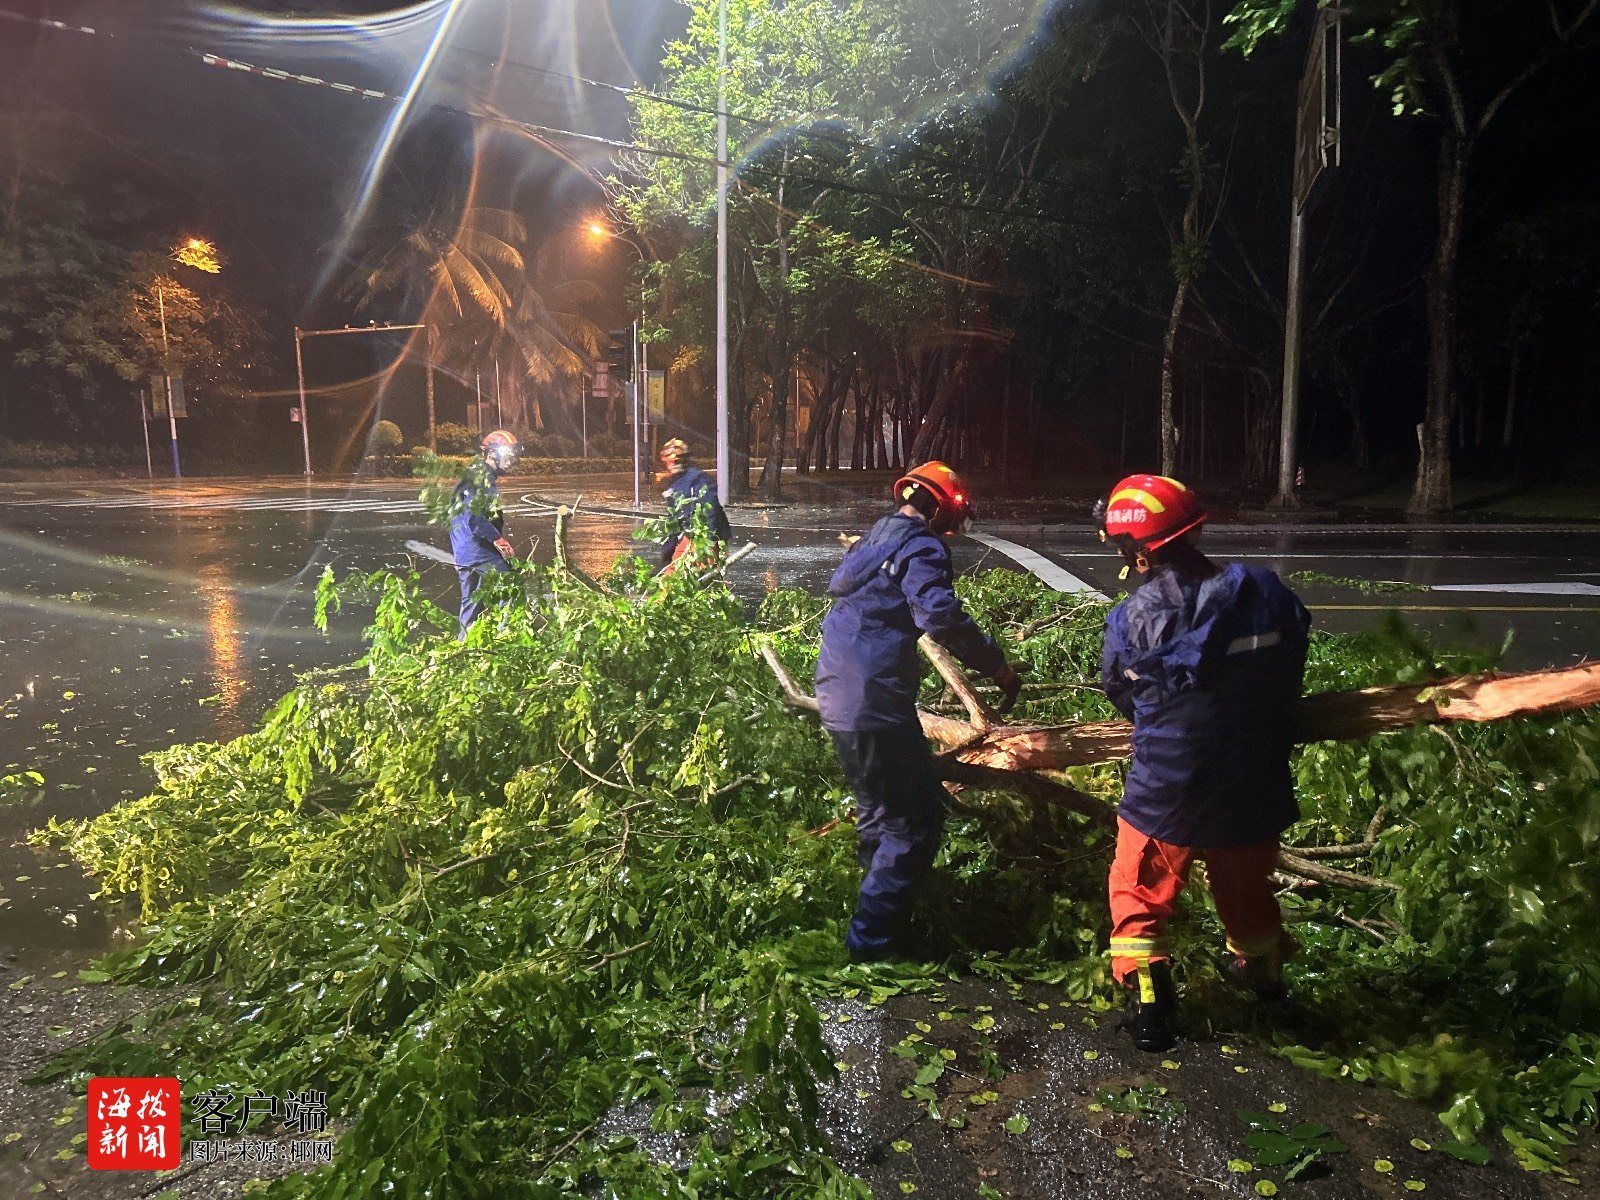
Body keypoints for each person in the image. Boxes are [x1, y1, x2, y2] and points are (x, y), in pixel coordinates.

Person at [1095, 474, 1311, 1052]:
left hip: (1169, 783)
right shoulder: (1265, 590)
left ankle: (1151, 1010)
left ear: (1137, 552)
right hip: (1255, 775)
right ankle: (1264, 981)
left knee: (1137, 890)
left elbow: (1121, 692)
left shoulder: (1129, 619)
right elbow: (1294, 655)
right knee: (1246, 888)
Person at [815, 461, 1023, 962]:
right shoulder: (920, 546)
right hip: (874, 702)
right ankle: (873, 943)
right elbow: (940, 616)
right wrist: (996, 666)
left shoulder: (876, 537)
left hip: (838, 696)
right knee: (916, 821)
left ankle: (875, 916)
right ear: (939, 506)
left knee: (878, 812)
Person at [450, 430, 521, 634]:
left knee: (473, 605)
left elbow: (455, 516)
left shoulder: (474, 475)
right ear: (492, 454)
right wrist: (498, 539)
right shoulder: (480, 478)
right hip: (479, 551)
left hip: (469, 551)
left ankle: (464, 651)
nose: (512, 459)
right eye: (508, 454)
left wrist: (460, 554)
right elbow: (474, 516)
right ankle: (507, 643)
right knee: (510, 591)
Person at [657, 438, 732, 572]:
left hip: (708, 536)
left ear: (685, 460)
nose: (673, 463)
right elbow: (674, 523)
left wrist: (708, 543)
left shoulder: (698, 479)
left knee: (702, 576)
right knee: (673, 575)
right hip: (690, 534)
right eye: (669, 460)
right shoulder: (674, 484)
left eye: (677, 460)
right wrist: (666, 556)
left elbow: (710, 510)